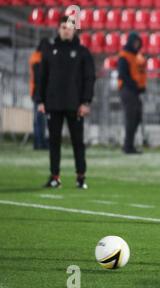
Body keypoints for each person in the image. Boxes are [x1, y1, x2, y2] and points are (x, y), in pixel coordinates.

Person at [36, 15, 96, 189]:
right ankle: (55, 177)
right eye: (63, 27)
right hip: (53, 104)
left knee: (78, 142)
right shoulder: (49, 50)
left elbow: (89, 79)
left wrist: (86, 102)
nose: (66, 30)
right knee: (54, 142)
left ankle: (81, 177)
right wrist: (40, 100)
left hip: (74, 105)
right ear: (58, 29)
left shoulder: (82, 52)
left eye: (69, 27)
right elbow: (42, 77)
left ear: (75, 29)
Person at [117, 32, 147, 154]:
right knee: (131, 118)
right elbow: (122, 75)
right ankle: (128, 146)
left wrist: (140, 87)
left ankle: (129, 144)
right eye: (135, 42)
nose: (136, 45)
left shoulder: (136, 56)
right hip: (127, 90)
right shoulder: (124, 56)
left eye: (138, 43)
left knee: (137, 117)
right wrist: (135, 85)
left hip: (134, 91)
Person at [29, 38, 50, 150]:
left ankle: (39, 142)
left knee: (40, 120)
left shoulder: (36, 57)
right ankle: (39, 142)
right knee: (39, 120)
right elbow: (39, 78)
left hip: (37, 92)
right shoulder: (38, 58)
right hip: (38, 93)